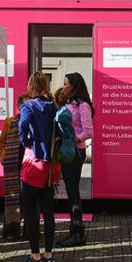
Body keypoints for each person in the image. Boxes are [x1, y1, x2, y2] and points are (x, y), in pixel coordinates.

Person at [14, 72, 58, 262]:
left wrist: (27, 143)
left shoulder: (28, 106)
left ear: (31, 87)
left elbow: (22, 126)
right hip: (52, 164)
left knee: (31, 212)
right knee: (48, 211)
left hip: (34, 162)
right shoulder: (55, 106)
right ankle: (49, 255)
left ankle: (35, 256)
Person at [58, 72, 94, 247]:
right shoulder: (68, 103)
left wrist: (72, 140)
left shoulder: (83, 105)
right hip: (67, 152)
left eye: (66, 84)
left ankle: (78, 233)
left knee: (73, 193)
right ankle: (74, 231)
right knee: (71, 192)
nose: (63, 86)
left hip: (75, 153)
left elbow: (88, 131)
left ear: (74, 85)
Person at [0, 93, 29, 240]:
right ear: (18, 107)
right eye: (24, 105)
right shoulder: (10, 122)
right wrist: (4, 156)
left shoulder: (35, 122)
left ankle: (29, 231)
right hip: (13, 164)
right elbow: (2, 142)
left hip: (29, 166)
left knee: (28, 199)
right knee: (12, 198)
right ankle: (11, 231)